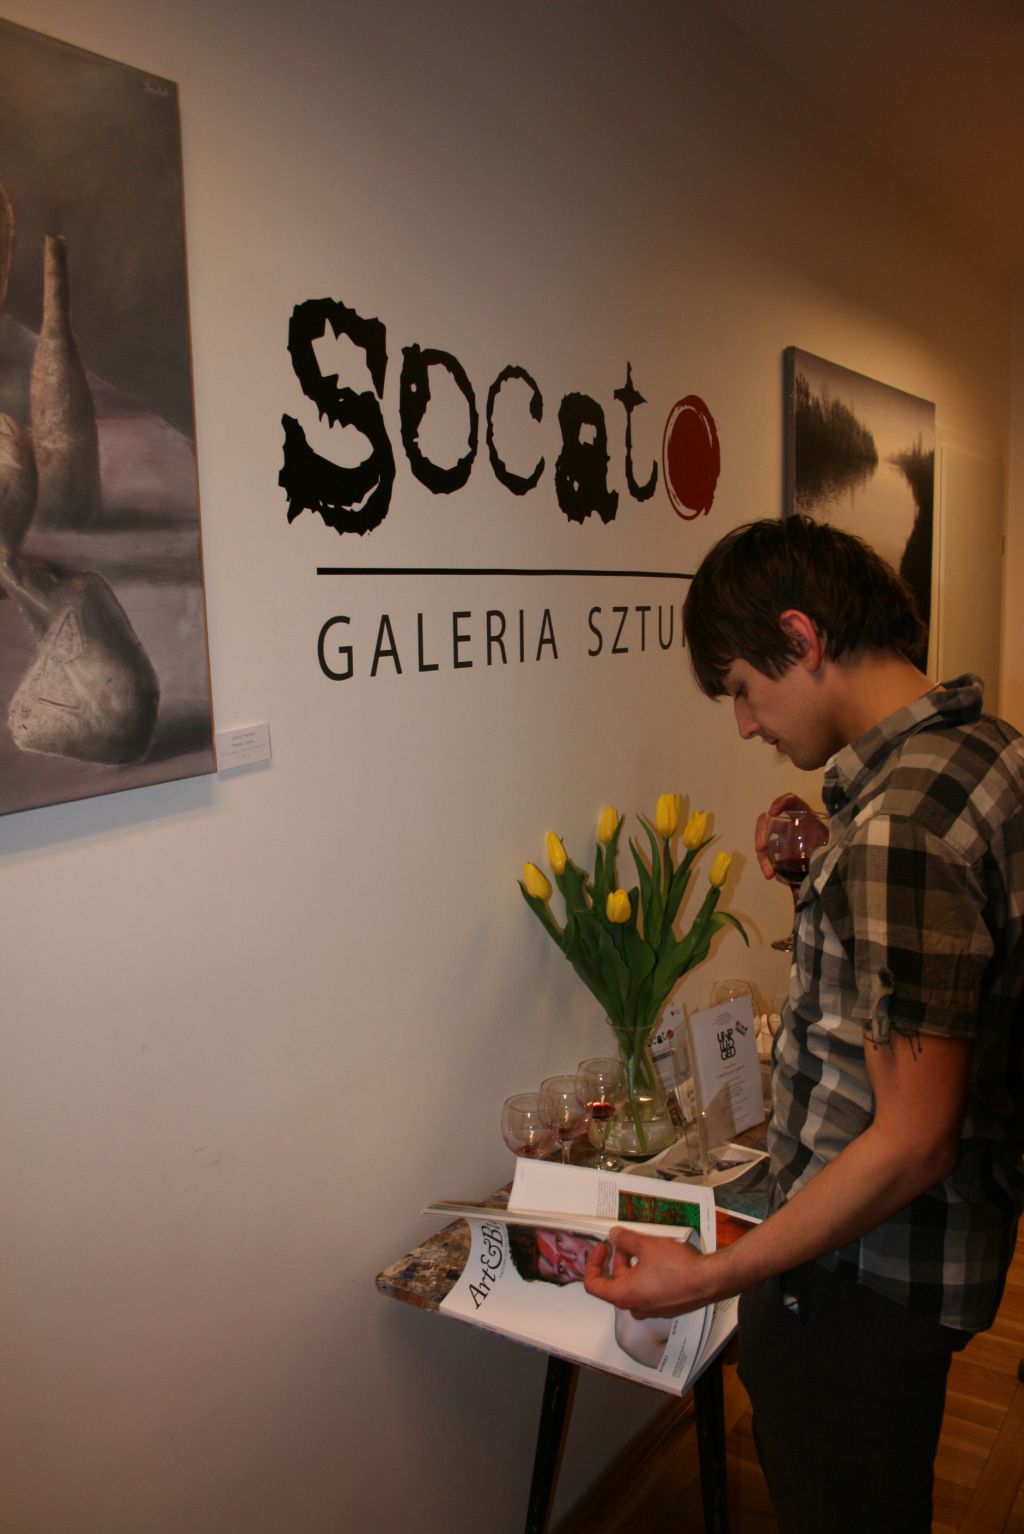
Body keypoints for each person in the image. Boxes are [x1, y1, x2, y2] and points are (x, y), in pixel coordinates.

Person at [583, 515, 1024, 1533]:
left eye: (743, 687)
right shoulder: (982, 753)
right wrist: (834, 868)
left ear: (802, 636)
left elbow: (913, 1140)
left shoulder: (897, 826)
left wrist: (713, 1276)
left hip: (859, 1284)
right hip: (942, 1252)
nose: (744, 723)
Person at [507, 1224, 674, 1368]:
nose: (571, 1257)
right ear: (562, 1282)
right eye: (561, 1268)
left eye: (559, 1241)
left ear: (566, 1230)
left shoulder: (634, 1224)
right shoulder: (631, 1334)